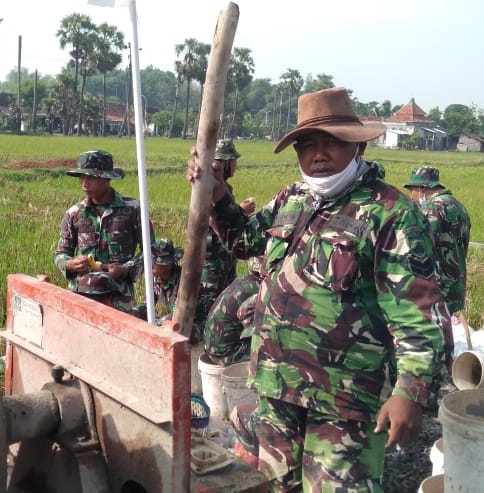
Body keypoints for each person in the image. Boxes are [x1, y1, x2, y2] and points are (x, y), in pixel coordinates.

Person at [188, 87, 448, 491]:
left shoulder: (391, 212)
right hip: (276, 388)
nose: (319, 154)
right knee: (275, 486)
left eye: (333, 142)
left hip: (343, 401)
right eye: (308, 144)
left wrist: (410, 392)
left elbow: (419, 313)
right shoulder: (292, 199)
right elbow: (245, 242)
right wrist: (218, 194)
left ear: (356, 147)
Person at [54, 150, 149, 314]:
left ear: (106, 178)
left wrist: (125, 270)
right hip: (80, 295)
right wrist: (69, 264)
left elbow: (150, 251)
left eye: (91, 177)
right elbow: (61, 253)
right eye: (81, 177)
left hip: (117, 297)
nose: (84, 183)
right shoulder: (74, 213)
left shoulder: (133, 209)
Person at [200, 139, 255, 340]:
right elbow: (209, 222)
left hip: (224, 258)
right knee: (212, 308)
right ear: (225, 163)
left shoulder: (224, 188)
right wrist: (240, 210)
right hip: (212, 260)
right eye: (233, 161)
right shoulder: (209, 188)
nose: (236, 166)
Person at [404, 166, 471, 315]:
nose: (412, 197)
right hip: (456, 283)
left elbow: (421, 247)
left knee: (434, 333)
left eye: (412, 190)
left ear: (422, 188)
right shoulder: (459, 207)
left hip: (437, 286)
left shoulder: (431, 208)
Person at [202, 256, 264, 366]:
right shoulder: (258, 287)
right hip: (227, 354)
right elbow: (249, 324)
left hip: (211, 347)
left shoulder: (245, 279)